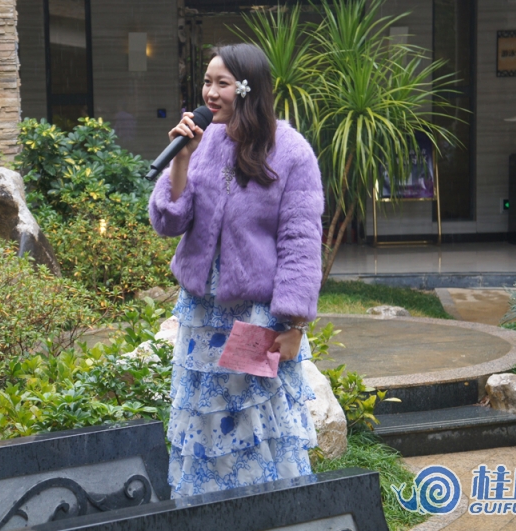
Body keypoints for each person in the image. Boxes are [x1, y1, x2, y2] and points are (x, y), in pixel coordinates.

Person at [148, 43, 324, 499]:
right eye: (206, 82)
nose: (210, 93)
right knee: (205, 425)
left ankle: (268, 513)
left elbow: (301, 243)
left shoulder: (291, 152)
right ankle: (208, 512)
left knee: (254, 425)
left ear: (248, 88)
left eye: (221, 83)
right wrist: (182, 159)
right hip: (201, 316)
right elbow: (169, 222)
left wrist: (295, 325)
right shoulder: (202, 142)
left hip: (255, 319)